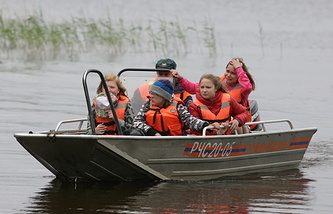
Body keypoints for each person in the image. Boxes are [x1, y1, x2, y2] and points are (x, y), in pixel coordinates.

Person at [172, 57, 255, 133]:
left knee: (238, 127)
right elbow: (193, 87)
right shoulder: (215, 84)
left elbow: (247, 87)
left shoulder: (241, 89)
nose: (228, 75)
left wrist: (239, 68)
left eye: (233, 73)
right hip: (212, 126)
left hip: (235, 120)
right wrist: (180, 79)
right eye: (227, 71)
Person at [130, 79, 219, 136]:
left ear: (163, 96)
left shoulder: (177, 106)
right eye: (150, 93)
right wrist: (152, 132)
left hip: (173, 142)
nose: (150, 96)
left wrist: (206, 125)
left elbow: (190, 120)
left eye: (154, 94)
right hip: (153, 140)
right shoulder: (148, 104)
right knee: (135, 132)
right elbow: (137, 122)